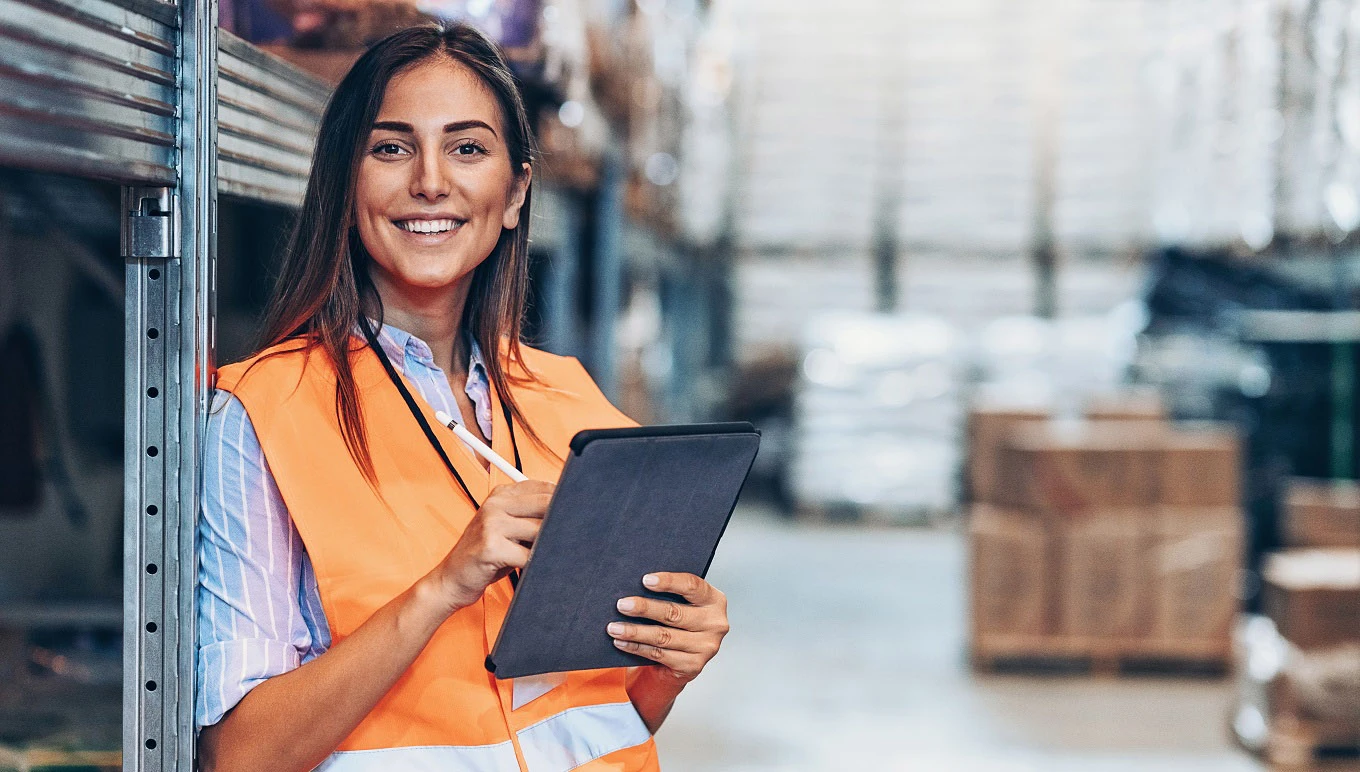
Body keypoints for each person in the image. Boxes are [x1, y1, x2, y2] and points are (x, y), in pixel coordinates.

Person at [195, 22, 729, 772]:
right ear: (345, 186)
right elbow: (240, 756)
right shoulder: (263, 416)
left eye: (468, 148)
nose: (431, 181)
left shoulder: (575, 409)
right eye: (391, 147)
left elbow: (594, 720)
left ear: (514, 193)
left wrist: (669, 660)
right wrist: (441, 588)